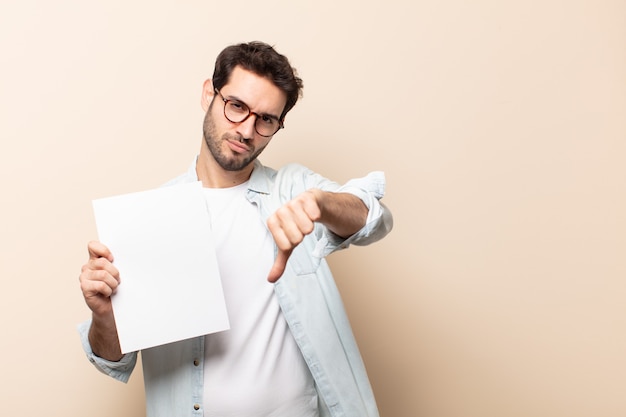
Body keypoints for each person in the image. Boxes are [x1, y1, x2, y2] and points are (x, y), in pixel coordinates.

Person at [78, 41, 393, 417]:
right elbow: (113, 358)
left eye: (266, 119)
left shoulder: (293, 190)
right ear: (209, 93)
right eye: (237, 107)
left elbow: (374, 218)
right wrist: (104, 315)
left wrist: (322, 203)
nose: (246, 130)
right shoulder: (150, 217)